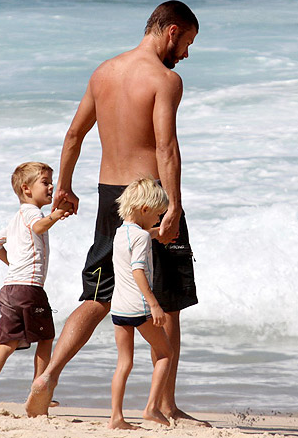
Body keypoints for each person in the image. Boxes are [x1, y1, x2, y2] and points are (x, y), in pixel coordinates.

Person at [26, 0, 205, 425]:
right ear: (172, 31)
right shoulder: (166, 79)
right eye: (187, 43)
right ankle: (161, 405)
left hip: (112, 196)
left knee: (98, 293)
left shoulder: (103, 72)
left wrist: (64, 186)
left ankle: (47, 376)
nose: (185, 55)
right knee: (171, 299)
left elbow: (74, 134)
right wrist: (174, 205)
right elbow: (166, 148)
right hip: (150, 198)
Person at [0, 162, 72, 414]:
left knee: (7, 341)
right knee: (46, 337)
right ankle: (38, 390)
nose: (51, 186)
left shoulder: (15, 218)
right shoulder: (33, 213)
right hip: (30, 289)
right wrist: (55, 215)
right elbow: (38, 227)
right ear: (26, 189)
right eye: (45, 182)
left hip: (9, 288)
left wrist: (12, 263)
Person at [108, 177, 172, 429]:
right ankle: (152, 407)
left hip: (119, 307)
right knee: (165, 353)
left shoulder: (120, 233)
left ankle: (116, 417)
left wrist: (154, 233)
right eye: (157, 215)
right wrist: (154, 304)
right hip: (140, 307)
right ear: (145, 209)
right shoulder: (142, 238)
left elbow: (139, 237)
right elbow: (138, 271)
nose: (158, 219)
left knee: (124, 362)